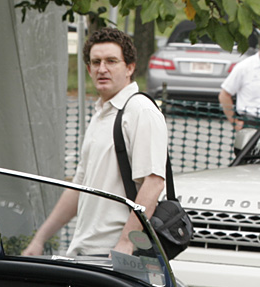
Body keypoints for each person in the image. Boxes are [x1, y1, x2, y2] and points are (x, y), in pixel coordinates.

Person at [22, 27, 167, 257]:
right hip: (87, 252)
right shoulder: (102, 113)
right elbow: (80, 185)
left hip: (117, 254)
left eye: (111, 61)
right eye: (96, 62)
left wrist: (126, 243)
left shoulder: (140, 110)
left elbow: (154, 182)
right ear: (88, 69)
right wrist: (40, 239)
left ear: (129, 68)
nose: (102, 69)